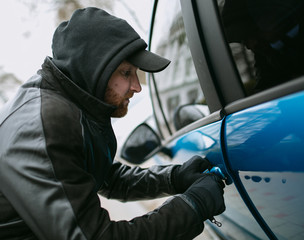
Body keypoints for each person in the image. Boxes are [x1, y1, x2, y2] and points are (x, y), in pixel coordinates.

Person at [0, 7, 225, 240]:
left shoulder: (71, 104)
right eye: (126, 72)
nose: (137, 86)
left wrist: (173, 178)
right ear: (93, 70)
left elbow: (107, 177)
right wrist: (193, 206)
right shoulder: (42, 128)